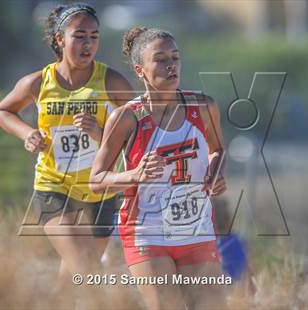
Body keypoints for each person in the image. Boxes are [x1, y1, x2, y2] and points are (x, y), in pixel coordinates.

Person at [0, 3, 134, 306]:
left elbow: (139, 130)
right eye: (79, 36)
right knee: (87, 267)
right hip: (53, 186)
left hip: (100, 190)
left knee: (71, 279)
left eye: (94, 36)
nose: (88, 44)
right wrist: (27, 134)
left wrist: (101, 134)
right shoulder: (38, 82)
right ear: (60, 39)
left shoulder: (111, 82)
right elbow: (3, 111)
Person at [90, 27, 227, 309]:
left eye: (175, 58)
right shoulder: (126, 118)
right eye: (161, 58)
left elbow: (218, 150)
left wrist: (215, 173)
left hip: (196, 229)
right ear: (140, 70)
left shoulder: (203, 106)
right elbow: (96, 180)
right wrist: (135, 174)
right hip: (147, 233)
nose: (171, 65)